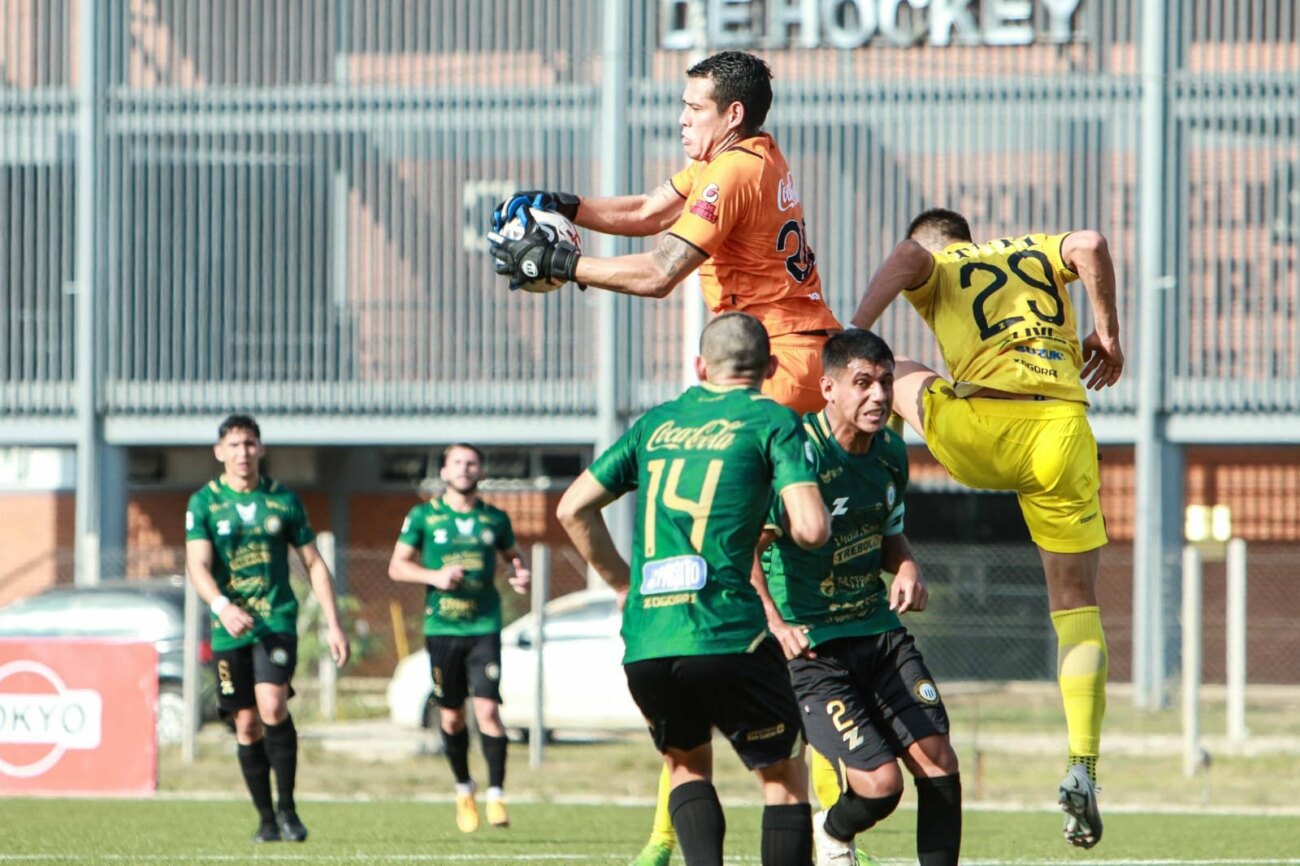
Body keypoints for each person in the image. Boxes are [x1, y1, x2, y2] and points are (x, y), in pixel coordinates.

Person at [851, 208, 1124, 849]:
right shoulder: (1035, 250)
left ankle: (869, 502)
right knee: (1077, 607)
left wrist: (851, 333)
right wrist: (1106, 335)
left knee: (897, 366)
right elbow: (1090, 243)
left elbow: (908, 257)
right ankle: (1083, 766)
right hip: (1059, 431)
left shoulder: (938, 261)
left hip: (979, 431)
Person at [556, 312, 831, 866]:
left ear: (699, 366)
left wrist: (621, 584)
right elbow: (811, 528)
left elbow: (572, 507)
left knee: (685, 766)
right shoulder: (772, 420)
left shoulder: (654, 424)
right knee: (782, 777)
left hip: (649, 637)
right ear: (772, 368)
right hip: (727, 631)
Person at [488, 49, 842, 415]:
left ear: (733, 114)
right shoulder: (751, 152)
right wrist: (567, 206)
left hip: (777, 362)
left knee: (691, 458)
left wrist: (556, 262)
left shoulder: (732, 170)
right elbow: (648, 211)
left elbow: (660, 274)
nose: (682, 119)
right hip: (797, 351)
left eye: (696, 108)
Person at [752, 329, 961, 866]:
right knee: (880, 786)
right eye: (862, 383)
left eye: (886, 383)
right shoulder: (794, 455)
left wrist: (908, 567)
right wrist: (775, 622)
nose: (879, 396)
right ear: (828, 388)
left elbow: (890, 533)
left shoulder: (891, 450)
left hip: (877, 630)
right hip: (815, 648)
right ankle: (833, 831)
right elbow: (746, 548)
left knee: (938, 760)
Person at [185, 413, 351, 844]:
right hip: (229, 627)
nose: (243, 453)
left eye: (250, 444)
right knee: (246, 724)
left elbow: (314, 563)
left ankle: (289, 811)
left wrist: (334, 624)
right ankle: (265, 819)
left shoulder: (283, 500)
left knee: (272, 705)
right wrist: (222, 606)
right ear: (219, 452)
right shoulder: (204, 503)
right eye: (234, 445)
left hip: (275, 620)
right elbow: (198, 565)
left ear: (261, 449)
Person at [387, 443, 531, 833]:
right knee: (451, 718)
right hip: (443, 629)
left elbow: (514, 557)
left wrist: (520, 573)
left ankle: (497, 795)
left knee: (487, 711)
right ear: (445, 472)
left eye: (472, 463)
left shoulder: (495, 519)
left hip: (483, 627)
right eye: (457, 463)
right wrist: (434, 576)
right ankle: (464, 788)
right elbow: (397, 567)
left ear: (480, 472)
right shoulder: (424, 516)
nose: (465, 469)